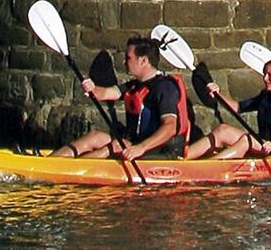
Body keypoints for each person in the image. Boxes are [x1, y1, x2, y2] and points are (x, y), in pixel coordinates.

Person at [51, 35, 190, 160]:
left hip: (160, 150)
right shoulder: (135, 86)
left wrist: (141, 148)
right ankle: (49, 163)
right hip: (135, 144)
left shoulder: (165, 88)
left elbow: (170, 127)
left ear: (143, 60)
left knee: (116, 146)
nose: (124, 62)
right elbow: (106, 93)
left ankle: (72, 169)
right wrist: (92, 88)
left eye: (128, 58)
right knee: (94, 136)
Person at [186, 57, 271, 160]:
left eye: (270, 75)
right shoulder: (266, 96)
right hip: (265, 144)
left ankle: (209, 167)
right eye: (264, 74)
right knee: (222, 130)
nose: (265, 79)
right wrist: (217, 94)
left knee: (247, 140)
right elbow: (237, 107)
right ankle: (182, 159)